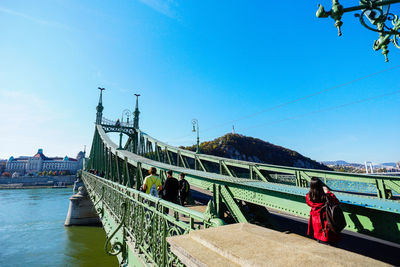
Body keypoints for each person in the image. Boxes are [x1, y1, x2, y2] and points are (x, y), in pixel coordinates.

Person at [306, 177, 340, 245]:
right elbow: (336, 201)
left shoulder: (308, 196)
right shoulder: (326, 196)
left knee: (319, 234)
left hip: (315, 219)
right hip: (325, 218)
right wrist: (328, 191)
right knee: (327, 235)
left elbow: (309, 203)